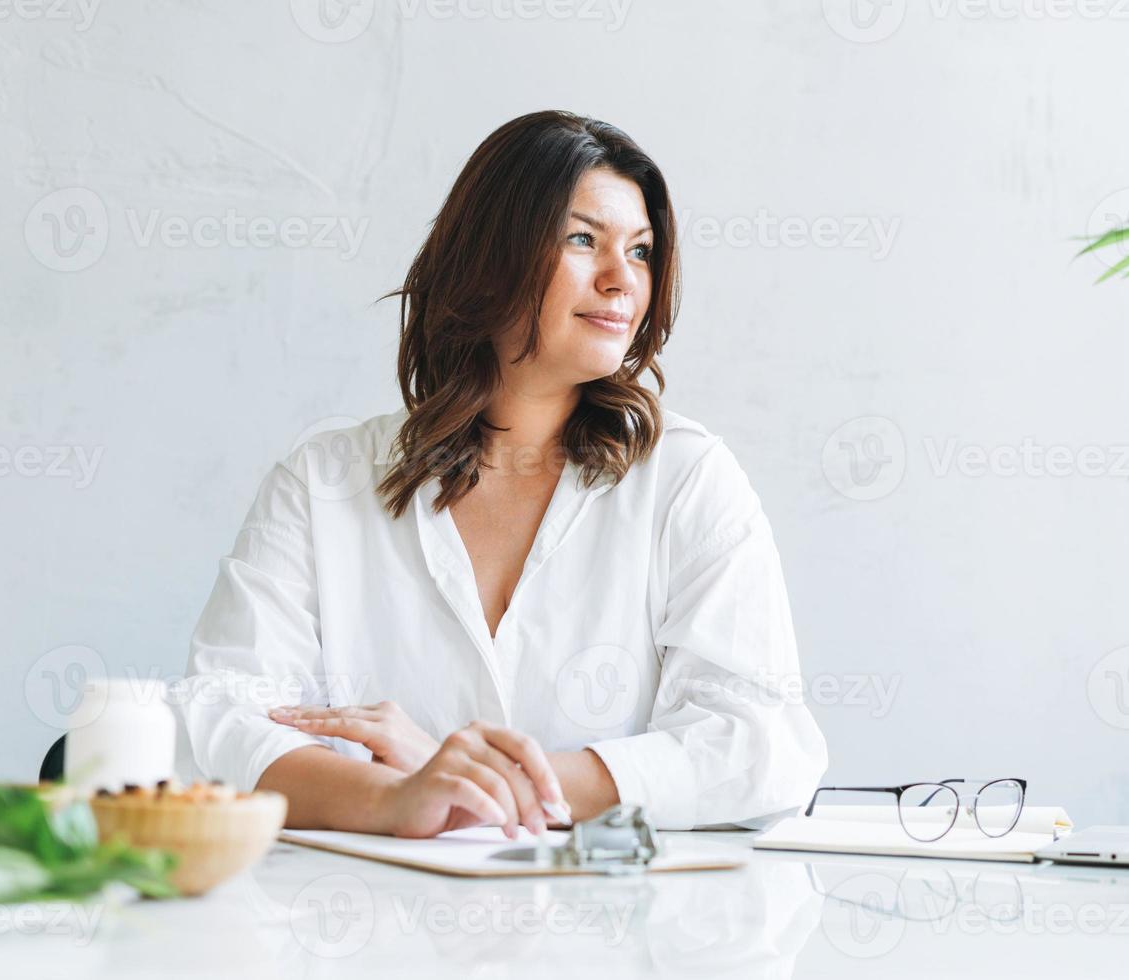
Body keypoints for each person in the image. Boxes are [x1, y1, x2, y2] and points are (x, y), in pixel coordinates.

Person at [180, 109, 828, 839]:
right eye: (584, 240)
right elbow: (216, 722)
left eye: (642, 252)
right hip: (368, 937)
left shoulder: (688, 479)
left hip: (611, 941)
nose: (622, 281)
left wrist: (484, 782)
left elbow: (760, 747)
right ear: (491, 258)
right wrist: (394, 799)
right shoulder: (324, 479)